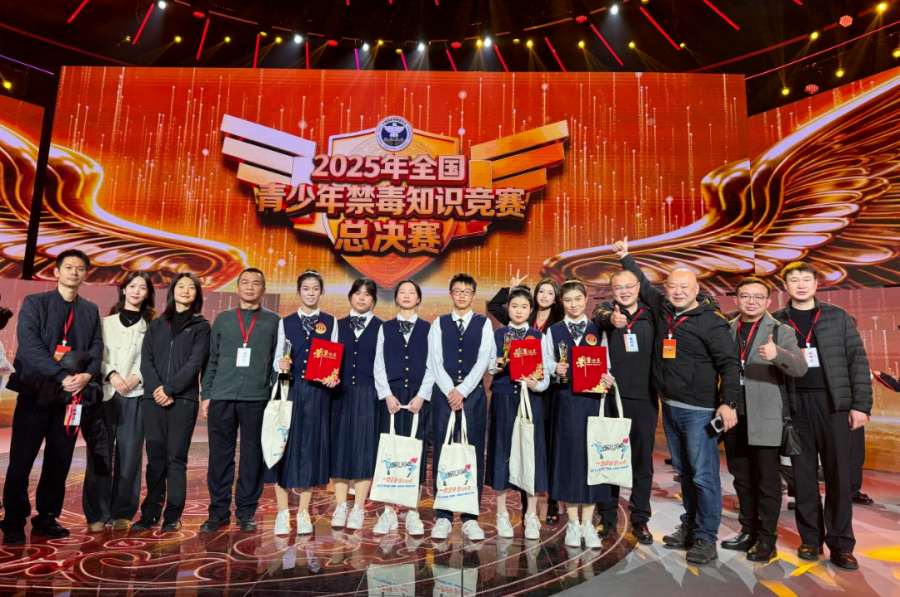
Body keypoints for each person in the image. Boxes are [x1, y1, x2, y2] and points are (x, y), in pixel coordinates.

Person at [614, 237, 741, 565]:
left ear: (696, 289)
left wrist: (728, 402)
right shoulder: (664, 310)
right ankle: (691, 525)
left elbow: (730, 364)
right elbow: (642, 285)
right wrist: (627, 257)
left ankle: (706, 537)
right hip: (670, 407)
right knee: (685, 473)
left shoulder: (712, 321)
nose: (678, 291)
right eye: (672, 286)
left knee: (703, 476)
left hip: (699, 411)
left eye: (685, 286)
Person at [772, 261, 872, 570]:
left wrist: (860, 406)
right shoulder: (777, 320)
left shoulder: (837, 317)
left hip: (833, 407)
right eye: (794, 280)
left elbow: (857, 361)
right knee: (803, 478)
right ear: (785, 286)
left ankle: (841, 544)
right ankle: (810, 539)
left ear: (816, 284)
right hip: (796, 407)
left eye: (806, 279)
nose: (801, 284)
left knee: (839, 477)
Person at [0, 249, 103, 546]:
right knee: (21, 460)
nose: (74, 272)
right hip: (35, 392)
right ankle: (14, 520)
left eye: (80, 268)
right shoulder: (35, 302)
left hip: (70, 398)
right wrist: (61, 375)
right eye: (68, 267)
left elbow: (97, 348)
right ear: (57, 272)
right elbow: (30, 345)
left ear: (85, 275)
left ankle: (47, 517)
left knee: (60, 460)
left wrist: (87, 376)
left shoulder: (90, 310)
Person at [720, 277, 807, 562]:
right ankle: (748, 530)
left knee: (767, 482)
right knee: (742, 479)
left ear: (768, 301)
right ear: (736, 299)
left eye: (758, 297)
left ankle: (767, 539)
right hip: (734, 415)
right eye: (746, 296)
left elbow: (800, 367)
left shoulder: (781, 330)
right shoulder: (727, 328)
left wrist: (777, 354)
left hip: (766, 416)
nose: (752, 301)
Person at [200, 268, 280, 533]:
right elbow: (212, 359)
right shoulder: (223, 319)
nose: (250, 287)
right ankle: (218, 512)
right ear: (237, 288)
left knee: (252, 457)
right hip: (222, 396)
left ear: (263, 290)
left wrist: (273, 397)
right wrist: (206, 394)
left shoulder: (274, 321)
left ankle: (246, 512)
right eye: (245, 283)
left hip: (257, 399)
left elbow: (277, 363)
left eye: (256, 283)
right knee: (219, 457)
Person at [133, 273, 210, 532]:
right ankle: (150, 513)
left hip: (183, 400)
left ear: (197, 294)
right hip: (153, 398)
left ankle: (173, 515)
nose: (185, 290)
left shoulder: (201, 326)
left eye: (191, 287)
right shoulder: (156, 324)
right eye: (181, 286)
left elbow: (195, 363)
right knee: (155, 459)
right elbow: (146, 360)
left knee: (176, 458)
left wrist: (170, 389)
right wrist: (157, 388)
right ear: (172, 291)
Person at [543, 278, 615, 550]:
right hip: (565, 401)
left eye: (577, 299)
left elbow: (607, 363)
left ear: (586, 299)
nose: (573, 304)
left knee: (593, 459)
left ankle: (588, 522)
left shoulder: (599, 329)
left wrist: (608, 378)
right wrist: (555, 368)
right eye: (568, 300)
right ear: (561, 303)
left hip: (593, 402)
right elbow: (546, 362)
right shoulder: (554, 331)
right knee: (568, 459)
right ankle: (573, 522)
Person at [488, 272, 564, 524]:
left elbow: (548, 371)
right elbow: (488, 366)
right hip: (503, 398)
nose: (518, 311)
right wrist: (495, 365)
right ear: (508, 308)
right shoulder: (497, 334)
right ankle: (501, 512)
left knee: (531, 452)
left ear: (531, 310)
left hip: (531, 399)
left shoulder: (540, 336)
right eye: (514, 306)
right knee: (501, 450)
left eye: (524, 307)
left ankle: (531, 513)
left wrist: (538, 384)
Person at [269, 270, 340, 536]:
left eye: (315, 288)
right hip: (290, 391)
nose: (311, 293)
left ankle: (303, 512)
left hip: (318, 394)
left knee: (310, 450)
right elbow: (277, 358)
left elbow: (334, 359)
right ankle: (282, 512)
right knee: (283, 449)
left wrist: (333, 376)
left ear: (321, 292)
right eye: (306, 288)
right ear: (299, 291)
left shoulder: (330, 322)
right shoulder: (285, 322)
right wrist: (280, 363)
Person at [83, 272, 155, 533]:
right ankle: (97, 512)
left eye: (142, 288)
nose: (136, 291)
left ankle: (123, 511)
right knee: (99, 453)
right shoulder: (105, 323)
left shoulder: (152, 326)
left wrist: (137, 376)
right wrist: (111, 374)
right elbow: (94, 354)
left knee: (130, 454)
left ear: (148, 294)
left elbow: (154, 358)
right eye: (132, 286)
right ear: (123, 289)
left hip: (135, 396)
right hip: (105, 394)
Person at [592, 269, 657, 544]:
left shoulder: (652, 314)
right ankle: (607, 518)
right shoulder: (607, 312)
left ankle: (640, 519)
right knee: (609, 458)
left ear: (638, 287)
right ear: (612, 290)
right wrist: (610, 319)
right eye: (618, 287)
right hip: (612, 397)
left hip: (645, 398)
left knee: (642, 462)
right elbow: (598, 316)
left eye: (629, 286)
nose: (624, 291)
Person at [429, 273, 493, 542]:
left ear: (473, 295)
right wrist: (450, 391)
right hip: (444, 396)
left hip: (473, 396)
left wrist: (463, 390)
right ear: (451, 294)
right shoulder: (439, 323)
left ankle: (470, 517)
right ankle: (443, 516)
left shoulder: (483, 323)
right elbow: (434, 360)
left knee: (472, 454)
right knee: (442, 453)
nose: (462, 295)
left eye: (467, 291)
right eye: (457, 291)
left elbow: (484, 359)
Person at [372, 279, 433, 536]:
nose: (407, 296)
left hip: (418, 397)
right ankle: (388, 511)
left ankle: (412, 511)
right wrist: (386, 394)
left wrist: (422, 395)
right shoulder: (385, 328)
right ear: (396, 298)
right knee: (389, 452)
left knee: (415, 453)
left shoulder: (429, 328)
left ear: (418, 299)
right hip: (392, 397)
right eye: (402, 292)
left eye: (412, 292)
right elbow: (378, 363)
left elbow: (433, 364)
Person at [331, 278, 384, 530]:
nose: (362, 298)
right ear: (350, 296)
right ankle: (341, 505)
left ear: (373, 299)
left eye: (367, 294)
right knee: (339, 448)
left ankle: (359, 507)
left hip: (369, 393)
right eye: (357, 293)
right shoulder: (336, 325)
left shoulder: (382, 327)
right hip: (339, 393)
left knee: (365, 449)